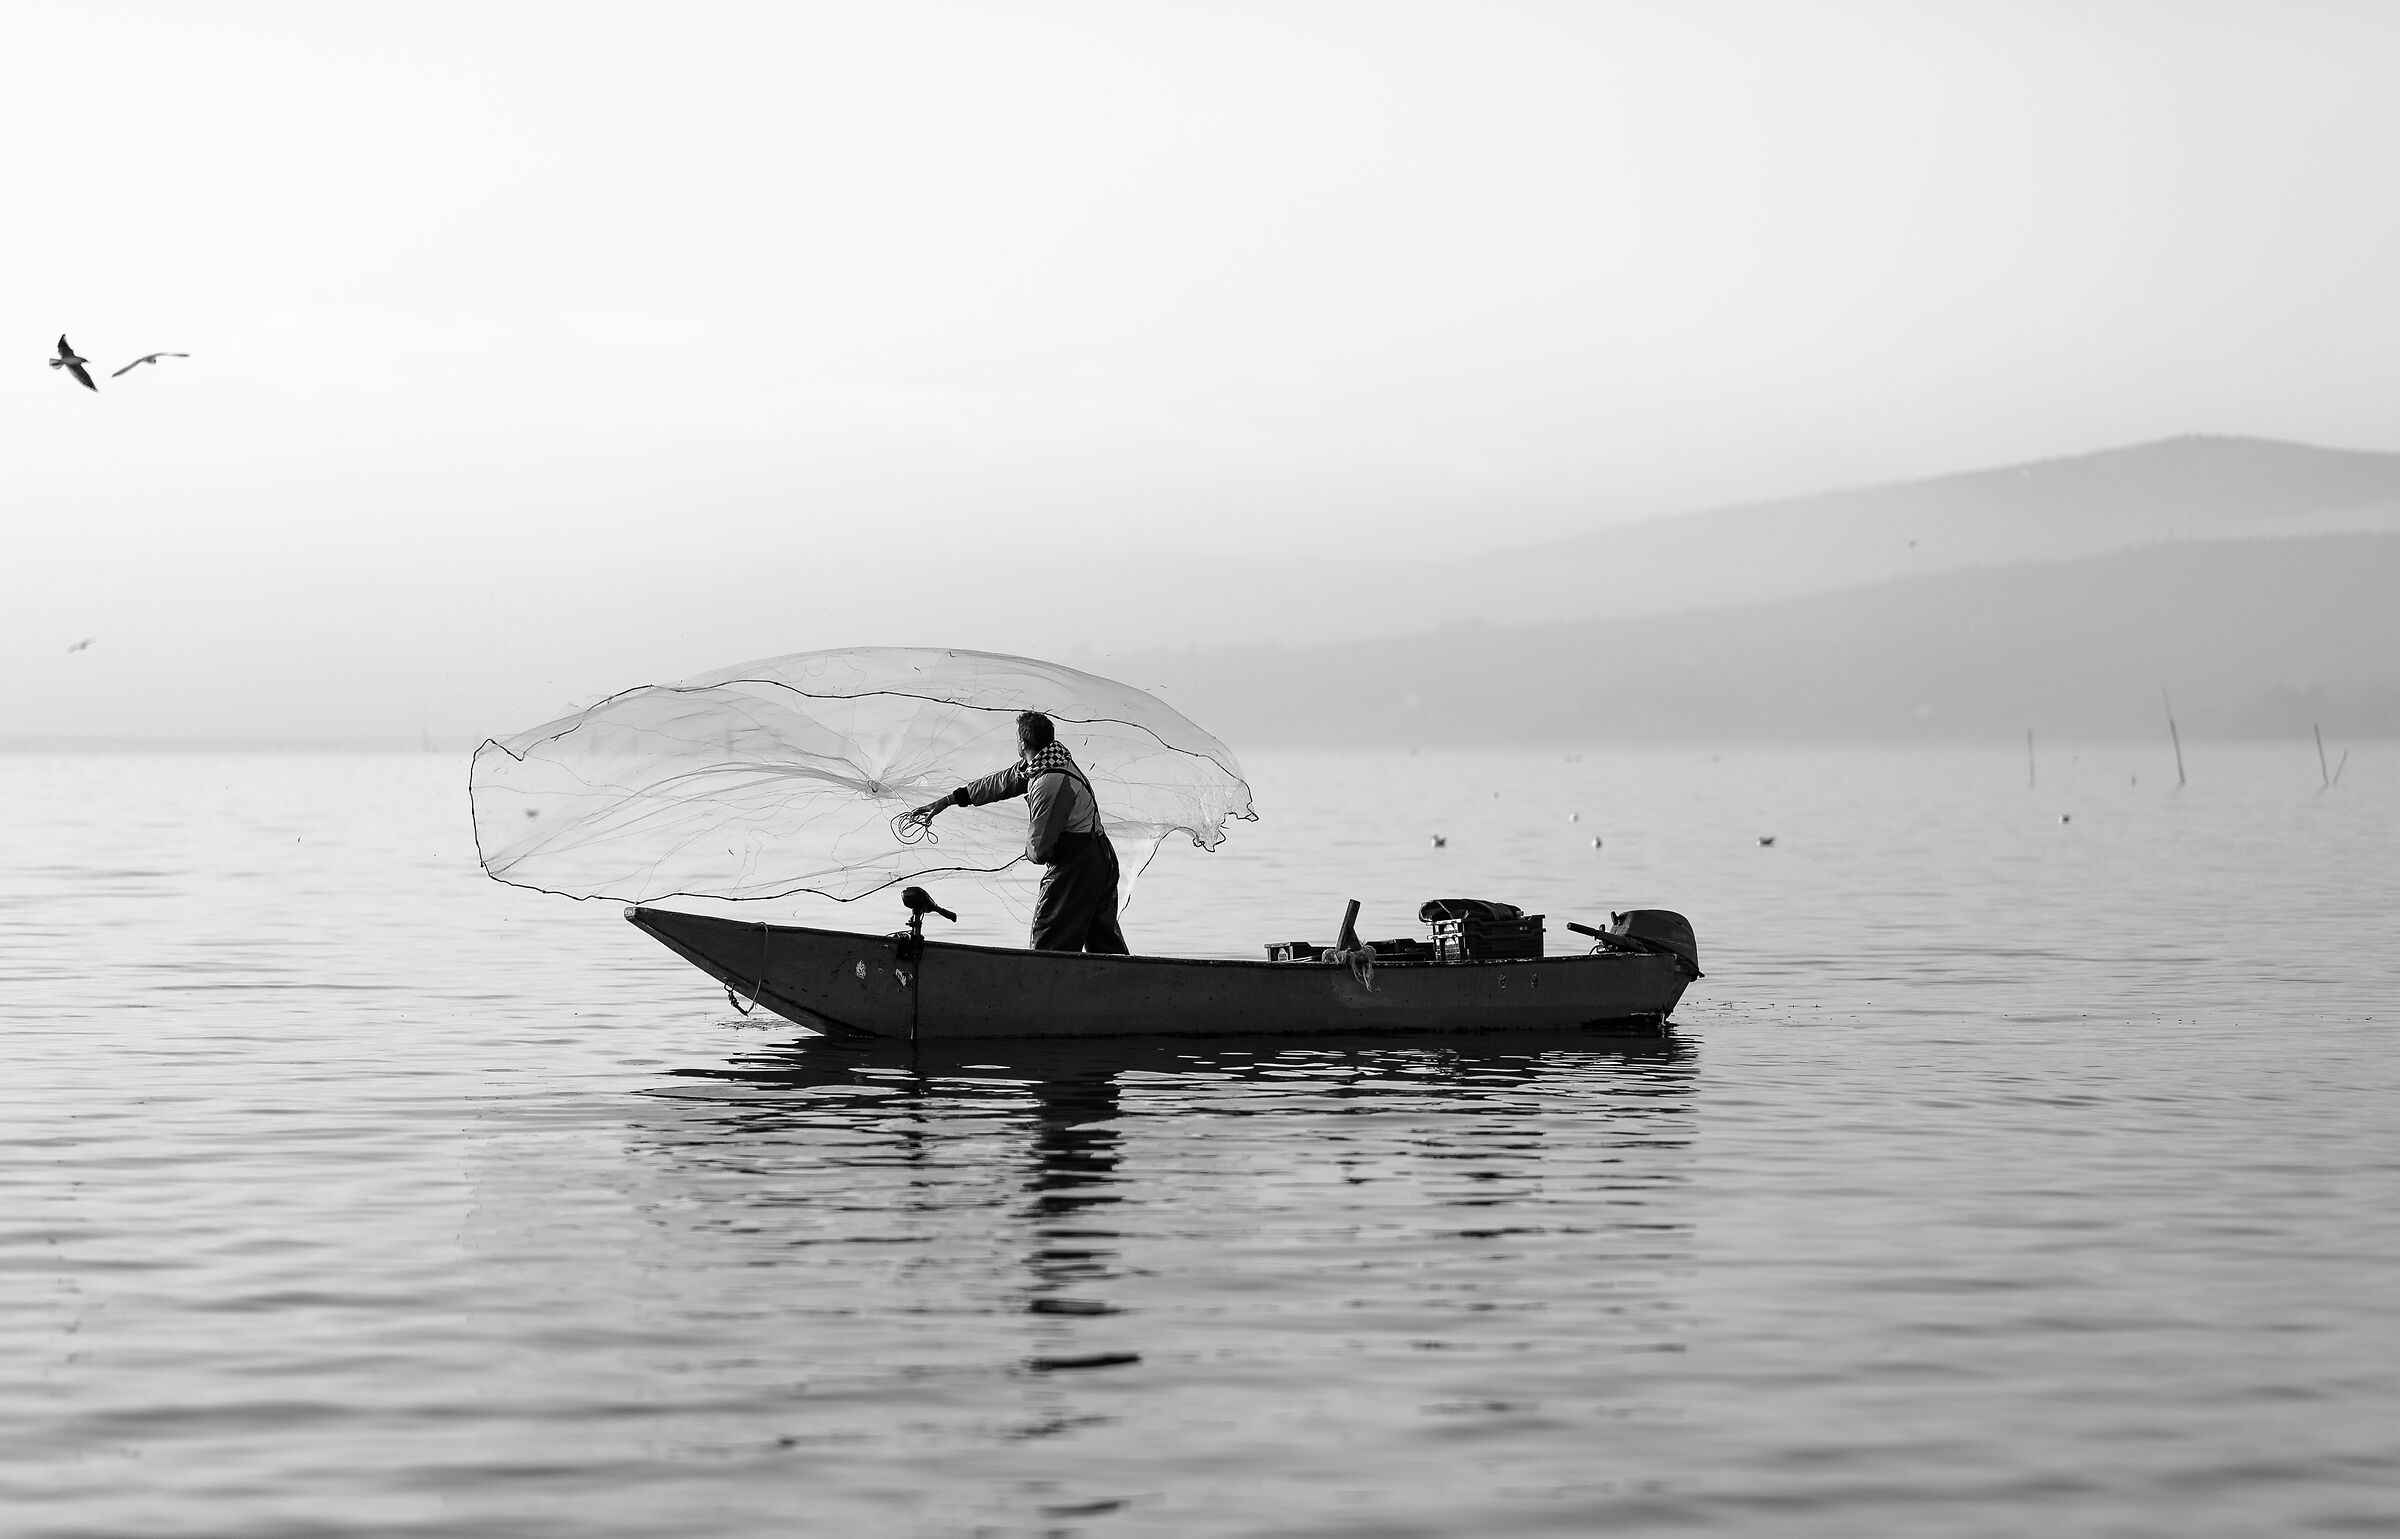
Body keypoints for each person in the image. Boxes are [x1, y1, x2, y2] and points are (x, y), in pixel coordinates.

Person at [907, 711, 1130, 954]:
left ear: (1022, 743)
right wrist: (950, 800)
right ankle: (1132, 986)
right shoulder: (1049, 761)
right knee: (1103, 940)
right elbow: (1003, 782)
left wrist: (1028, 852)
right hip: (1101, 857)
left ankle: (1043, 987)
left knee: (1051, 939)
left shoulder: (1050, 783)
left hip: (1079, 866)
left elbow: (1040, 849)